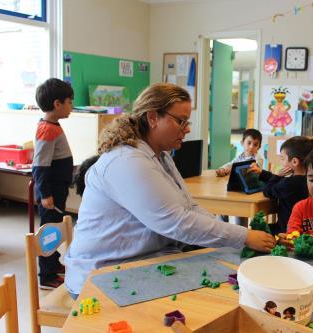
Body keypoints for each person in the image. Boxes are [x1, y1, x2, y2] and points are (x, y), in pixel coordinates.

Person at [64, 83, 275, 298]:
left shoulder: (161, 155)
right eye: (180, 121)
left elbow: (188, 206)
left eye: (187, 121)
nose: (187, 128)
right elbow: (177, 222)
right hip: (103, 276)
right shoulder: (127, 161)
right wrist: (243, 236)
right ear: (153, 117)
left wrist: (237, 235)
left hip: (147, 259)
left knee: (230, 272)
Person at [32, 78, 74, 289]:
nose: (71, 106)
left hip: (58, 188)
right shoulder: (48, 129)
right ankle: (47, 276)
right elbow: (40, 166)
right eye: (69, 101)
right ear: (57, 104)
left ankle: (52, 264)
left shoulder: (53, 126)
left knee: (55, 228)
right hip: (51, 191)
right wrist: (45, 193)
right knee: (49, 232)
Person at [249, 136, 313, 234]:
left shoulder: (289, 184)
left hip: (285, 232)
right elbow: (279, 183)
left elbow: (268, 191)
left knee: (254, 232)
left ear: (294, 162)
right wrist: (263, 173)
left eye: (282, 159)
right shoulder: (309, 180)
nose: (281, 162)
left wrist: (277, 176)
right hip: (302, 230)